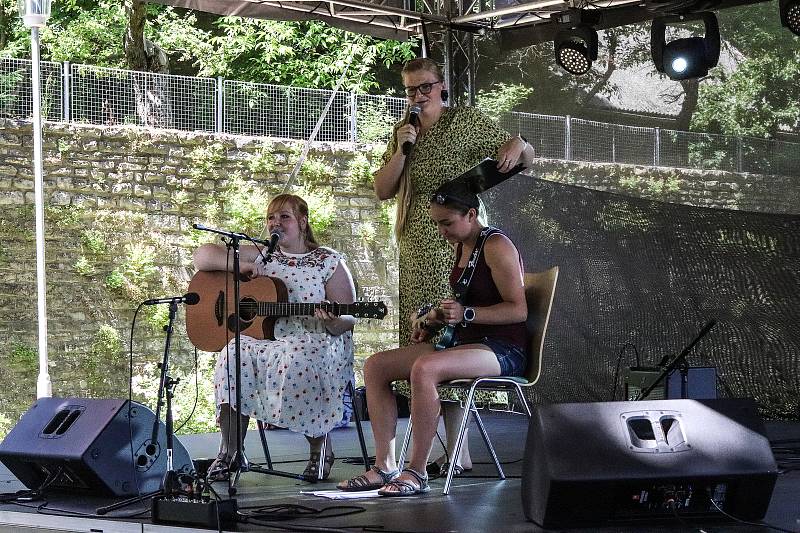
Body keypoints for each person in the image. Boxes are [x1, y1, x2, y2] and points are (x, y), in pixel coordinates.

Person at [373, 57, 535, 475]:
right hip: (416, 244)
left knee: (448, 343)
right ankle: (436, 454)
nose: (418, 96)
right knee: (424, 342)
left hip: (455, 243)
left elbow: (517, 154)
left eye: (425, 87)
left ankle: (454, 451)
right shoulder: (403, 133)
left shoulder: (464, 121)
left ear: (442, 87)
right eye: (410, 89)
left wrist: (522, 144)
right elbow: (382, 189)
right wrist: (403, 149)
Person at [337, 181, 528, 495]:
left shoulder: (496, 245)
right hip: (465, 343)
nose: (441, 231)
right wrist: (435, 319)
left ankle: (417, 472)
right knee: (375, 366)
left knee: (425, 369)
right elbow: (466, 304)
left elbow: (518, 310)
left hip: (502, 349)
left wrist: (466, 314)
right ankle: (385, 466)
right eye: (437, 223)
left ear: (471, 213)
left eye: (447, 223)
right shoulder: (462, 244)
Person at [193, 193, 357, 481]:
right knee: (232, 355)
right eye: (271, 217)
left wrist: (333, 320)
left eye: (284, 217)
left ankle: (320, 449)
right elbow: (202, 256)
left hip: (317, 340)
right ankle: (230, 452)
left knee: (299, 359)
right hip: (268, 340)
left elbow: (350, 316)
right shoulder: (261, 253)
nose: (275, 223)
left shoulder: (327, 261)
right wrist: (239, 266)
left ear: (303, 222)